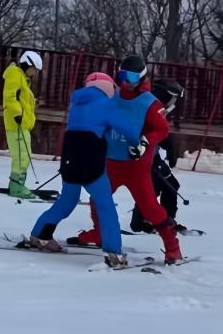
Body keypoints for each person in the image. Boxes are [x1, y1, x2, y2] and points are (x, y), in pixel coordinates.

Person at [70, 55, 183, 264]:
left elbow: (161, 129)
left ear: (141, 78)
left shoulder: (149, 103)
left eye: (131, 77)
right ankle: (100, 233)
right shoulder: (113, 95)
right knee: (97, 198)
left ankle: (172, 246)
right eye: (122, 75)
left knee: (149, 207)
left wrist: (146, 142)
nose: (126, 82)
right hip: (111, 161)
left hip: (136, 166)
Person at [23, 73, 131, 269]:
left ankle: (40, 235)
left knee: (67, 200)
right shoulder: (107, 104)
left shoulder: (77, 105)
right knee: (105, 205)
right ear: (108, 88)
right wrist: (139, 141)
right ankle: (114, 253)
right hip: (91, 163)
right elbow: (127, 128)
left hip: (70, 160)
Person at [129, 77, 185, 234]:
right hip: (143, 156)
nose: (173, 103)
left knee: (166, 186)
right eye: (172, 98)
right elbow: (148, 130)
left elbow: (160, 131)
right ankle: (143, 221)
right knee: (154, 188)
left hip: (152, 156)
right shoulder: (150, 108)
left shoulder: (158, 109)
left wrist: (168, 143)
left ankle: (162, 219)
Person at [3, 51, 41, 199]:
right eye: (35, 69)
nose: (35, 73)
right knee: (21, 156)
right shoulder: (15, 75)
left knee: (24, 155)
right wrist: (17, 113)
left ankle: (18, 184)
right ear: (27, 64)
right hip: (16, 123)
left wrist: (33, 103)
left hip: (22, 123)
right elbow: (9, 96)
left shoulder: (22, 78)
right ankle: (16, 187)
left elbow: (21, 98)